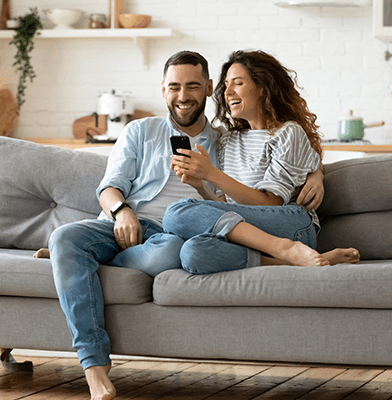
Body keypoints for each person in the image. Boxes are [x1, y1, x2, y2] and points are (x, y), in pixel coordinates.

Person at [34, 50, 324, 400]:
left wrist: (317, 172)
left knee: (173, 250)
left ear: (206, 88)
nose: (182, 96)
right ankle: (94, 367)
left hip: (171, 235)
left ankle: (79, 261)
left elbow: (278, 157)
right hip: (120, 224)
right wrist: (121, 210)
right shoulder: (140, 130)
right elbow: (109, 187)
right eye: (174, 87)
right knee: (65, 236)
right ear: (162, 89)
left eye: (191, 86)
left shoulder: (225, 140)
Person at [163, 50, 360, 274]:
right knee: (193, 252)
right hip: (249, 230)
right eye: (226, 84)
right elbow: (228, 207)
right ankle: (291, 260)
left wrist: (212, 174)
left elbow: (271, 204)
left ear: (262, 88)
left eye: (237, 83)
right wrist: (200, 186)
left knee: (175, 213)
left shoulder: (287, 133)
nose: (227, 92)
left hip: (290, 225)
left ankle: (286, 248)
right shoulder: (229, 139)